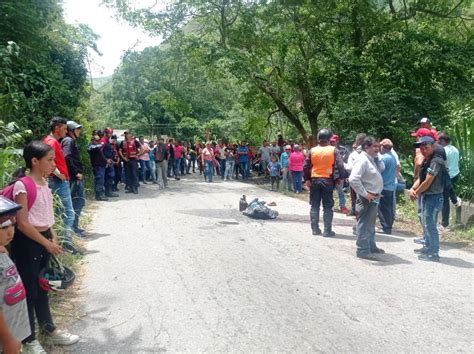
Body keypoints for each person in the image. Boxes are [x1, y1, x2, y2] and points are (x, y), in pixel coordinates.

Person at [10, 141, 79, 353]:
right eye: (49, 160)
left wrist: (53, 237)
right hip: (28, 244)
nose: (53, 164)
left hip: (44, 240)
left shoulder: (44, 183)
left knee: (43, 287)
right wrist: (47, 243)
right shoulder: (23, 185)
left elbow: (46, 216)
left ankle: (49, 329)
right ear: (34, 161)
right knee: (29, 292)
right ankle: (29, 340)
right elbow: (23, 223)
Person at [409, 136, 446, 262]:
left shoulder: (436, 161)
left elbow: (428, 180)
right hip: (427, 196)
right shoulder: (427, 160)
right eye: (422, 148)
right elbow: (421, 178)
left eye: (426, 147)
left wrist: (416, 192)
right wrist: (413, 189)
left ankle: (434, 253)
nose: (423, 150)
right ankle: (428, 246)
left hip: (434, 197)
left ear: (433, 146)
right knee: (426, 223)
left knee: (431, 225)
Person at [0, 197, 30, 354]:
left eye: (13, 223)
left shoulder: (3, 250)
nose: (11, 231)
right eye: (4, 226)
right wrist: (8, 340)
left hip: (14, 326)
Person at [304, 129, 347, 237]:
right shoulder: (333, 150)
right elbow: (340, 165)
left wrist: (307, 179)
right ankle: (327, 231)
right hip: (327, 181)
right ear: (329, 138)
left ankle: (315, 229)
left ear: (319, 138)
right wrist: (342, 177)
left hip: (314, 180)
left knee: (314, 205)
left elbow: (306, 166)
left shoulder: (312, 150)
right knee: (327, 206)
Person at [349, 137, 385, 260]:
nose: (377, 149)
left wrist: (378, 157)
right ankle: (362, 250)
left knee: (371, 223)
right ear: (366, 147)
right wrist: (365, 193)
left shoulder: (372, 159)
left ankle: (370, 245)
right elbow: (353, 179)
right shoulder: (362, 160)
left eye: (378, 146)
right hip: (366, 197)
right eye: (374, 146)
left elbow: (381, 169)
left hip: (374, 196)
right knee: (364, 223)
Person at [42, 117, 75, 243]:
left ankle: (61, 240)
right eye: (65, 128)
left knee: (59, 211)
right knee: (68, 212)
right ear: (57, 128)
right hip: (58, 181)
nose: (66, 132)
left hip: (55, 180)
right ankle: (67, 242)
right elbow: (48, 159)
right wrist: (58, 173)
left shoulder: (49, 140)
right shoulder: (52, 142)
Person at [61, 121, 86, 237]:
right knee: (77, 201)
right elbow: (67, 157)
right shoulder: (69, 141)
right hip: (73, 177)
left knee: (77, 201)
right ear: (71, 130)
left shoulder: (69, 141)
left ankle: (74, 227)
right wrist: (76, 172)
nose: (79, 131)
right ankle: (73, 228)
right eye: (77, 129)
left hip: (73, 176)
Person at [438, 132, 462, 230]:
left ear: (443, 141)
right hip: (455, 174)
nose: (438, 142)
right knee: (449, 191)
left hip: (447, 175)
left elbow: (443, 164)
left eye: (439, 140)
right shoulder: (455, 149)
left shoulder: (443, 150)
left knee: (444, 199)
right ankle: (456, 200)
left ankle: (444, 224)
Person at [378, 139, 397, 235]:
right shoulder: (393, 157)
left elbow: (379, 170)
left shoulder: (384, 158)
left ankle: (385, 227)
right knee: (388, 208)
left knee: (382, 208)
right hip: (390, 186)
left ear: (383, 147)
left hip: (384, 186)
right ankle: (388, 226)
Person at [344, 133, 366, 216]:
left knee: (355, 196)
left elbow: (349, 168)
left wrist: (343, 164)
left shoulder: (353, 154)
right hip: (367, 180)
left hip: (355, 179)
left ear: (357, 142)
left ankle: (355, 211)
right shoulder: (371, 153)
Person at [330, 134, 349, 214]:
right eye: (331, 141)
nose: (332, 143)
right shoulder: (328, 149)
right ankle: (329, 205)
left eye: (334, 141)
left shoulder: (343, 150)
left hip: (339, 174)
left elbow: (346, 160)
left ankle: (342, 206)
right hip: (330, 174)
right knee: (329, 191)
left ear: (337, 141)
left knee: (340, 191)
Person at [88, 133, 109, 201]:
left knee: (101, 180)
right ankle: (99, 195)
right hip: (98, 166)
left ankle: (100, 194)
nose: (99, 141)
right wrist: (102, 144)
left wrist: (106, 161)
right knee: (99, 180)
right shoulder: (92, 147)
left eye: (99, 140)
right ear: (93, 140)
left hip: (101, 165)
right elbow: (93, 148)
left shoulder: (96, 147)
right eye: (97, 140)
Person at [101, 128, 119, 197]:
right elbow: (101, 151)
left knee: (110, 176)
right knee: (109, 176)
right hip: (106, 162)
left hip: (110, 161)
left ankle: (108, 191)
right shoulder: (103, 140)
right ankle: (107, 192)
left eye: (111, 133)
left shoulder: (108, 140)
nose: (111, 134)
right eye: (109, 133)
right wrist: (105, 160)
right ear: (106, 133)